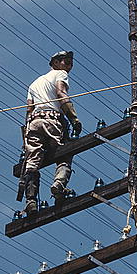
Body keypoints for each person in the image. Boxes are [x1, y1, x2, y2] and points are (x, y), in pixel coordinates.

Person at [19, 50, 82, 215]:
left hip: (33, 123)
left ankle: (31, 201)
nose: (68, 65)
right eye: (64, 61)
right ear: (55, 63)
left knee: (32, 163)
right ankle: (58, 184)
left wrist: (26, 138)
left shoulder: (33, 84)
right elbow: (61, 93)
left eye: (70, 62)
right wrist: (73, 118)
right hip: (51, 120)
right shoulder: (60, 74)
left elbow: (28, 110)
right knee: (64, 152)